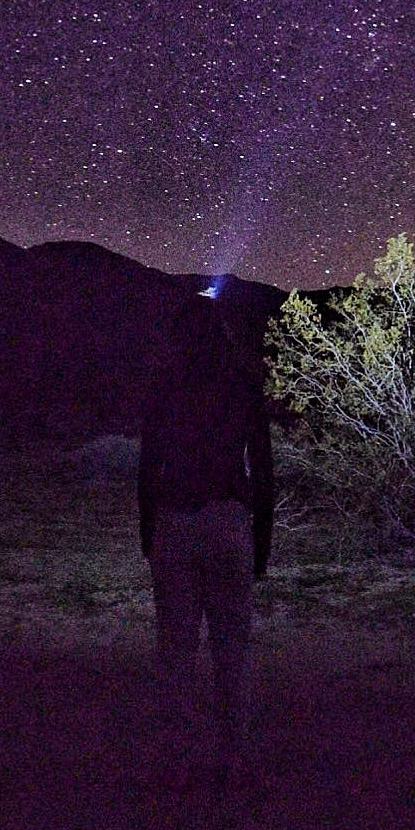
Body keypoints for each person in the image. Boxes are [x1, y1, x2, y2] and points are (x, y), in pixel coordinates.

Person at [137, 294, 274, 799]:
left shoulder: (166, 387)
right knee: (232, 651)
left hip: (176, 518)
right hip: (228, 520)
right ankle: (233, 762)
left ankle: (175, 765)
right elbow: (262, 468)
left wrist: (148, 531)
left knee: (176, 650)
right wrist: (261, 540)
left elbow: (149, 465)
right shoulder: (241, 386)